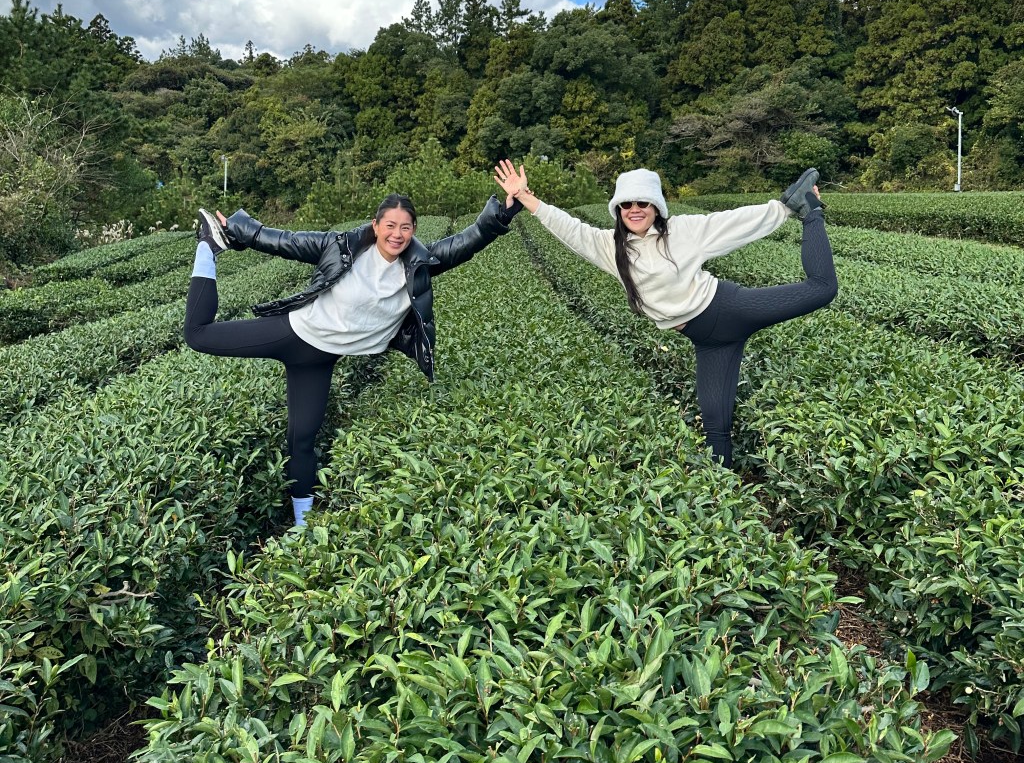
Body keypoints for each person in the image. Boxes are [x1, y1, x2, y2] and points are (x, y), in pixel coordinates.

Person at [185, 188, 521, 526]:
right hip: (293, 334)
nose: (397, 234)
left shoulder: (422, 264)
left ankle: (302, 527)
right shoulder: (341, 246)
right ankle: (208, 247)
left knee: (301, 440)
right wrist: (240, 231)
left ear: (414, 230)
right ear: (375, 225)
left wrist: (502, 213)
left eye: (405, 227)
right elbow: (285, 241)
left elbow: (469, 240)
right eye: (390, 225)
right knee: (197, 335)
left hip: (319, 360)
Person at [493, 160, 837, 469]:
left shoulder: (683, 232)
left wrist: (782, 209)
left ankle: (809, 209)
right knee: (716, 423)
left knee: (822, 289)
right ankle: (728, 504)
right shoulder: (610, 247)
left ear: (656, 206)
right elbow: (568, 228)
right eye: (626, 203)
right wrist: (524, 197)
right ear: (617, 209)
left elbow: (733, 223)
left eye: (643, 202)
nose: (634, 209)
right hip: (709, 343)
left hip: (731, 310)